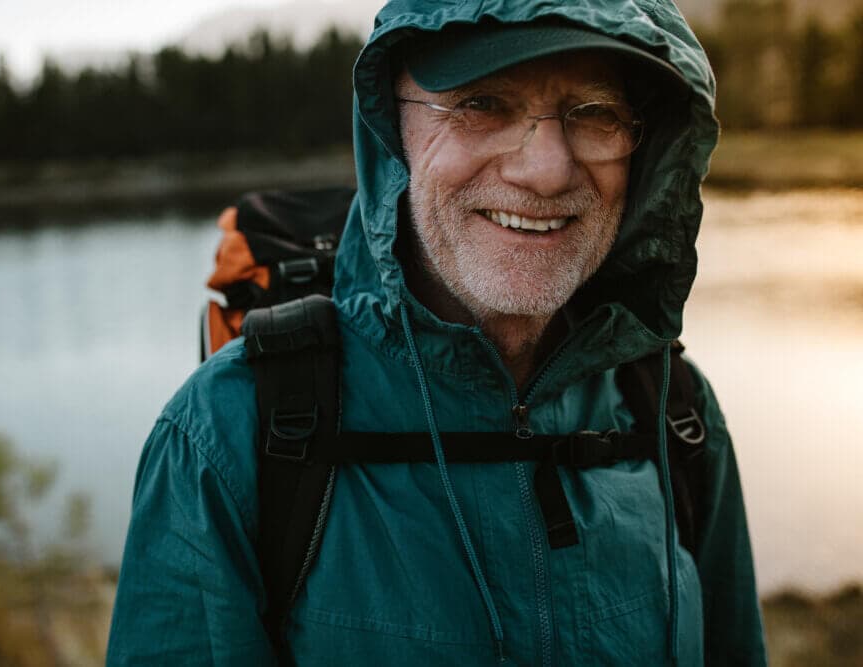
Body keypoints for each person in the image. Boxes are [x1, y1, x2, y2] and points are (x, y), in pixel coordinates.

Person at [106, 0, 767, 665]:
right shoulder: (224, 435)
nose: (545, 169)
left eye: (595, 113)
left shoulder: (673, 412)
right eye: (482, 104)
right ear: (393, 130)